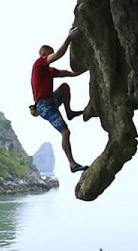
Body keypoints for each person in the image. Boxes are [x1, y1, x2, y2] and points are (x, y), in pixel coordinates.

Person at [30, 27, 88, 173]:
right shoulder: (39, 64)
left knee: (64, 87)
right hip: (44, 107)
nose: (50, 58)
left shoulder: (48, 71)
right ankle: (72, 164)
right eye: (49, 55)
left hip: (51, 101)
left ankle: (69, 112)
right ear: (44, 54)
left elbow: (66, 73)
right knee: (65, 133)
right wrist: (69, 38)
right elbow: (57, 56)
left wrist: (86, 69)